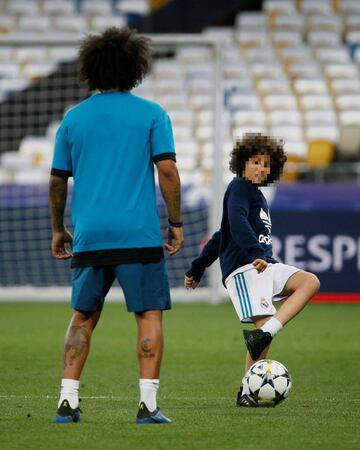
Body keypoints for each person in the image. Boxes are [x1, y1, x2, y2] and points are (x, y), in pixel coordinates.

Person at [49, 27, 184, 424]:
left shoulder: (73, 120)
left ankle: (67, 401)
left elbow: (58, 180)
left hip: (91, 236)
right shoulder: (152, 114)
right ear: (135, 68)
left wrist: (59, 229)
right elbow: (169, 171)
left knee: (83, 316)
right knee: (148, 315)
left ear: (91, 68)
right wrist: (175, 223)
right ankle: (147, 405)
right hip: (138, 235)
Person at [184, 132, 320, 407]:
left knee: (309, 282)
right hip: (245, 268)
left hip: (265, 265)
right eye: (255, 162)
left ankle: (266, 332)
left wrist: (198, 268)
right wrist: (200, 267)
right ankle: (248, 390)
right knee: (261, 324)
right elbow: (233, 224)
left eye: (266, 164)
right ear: (242, 163)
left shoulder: (256, 195)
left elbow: (221, 235)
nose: (261, 168)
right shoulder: (239, 188)